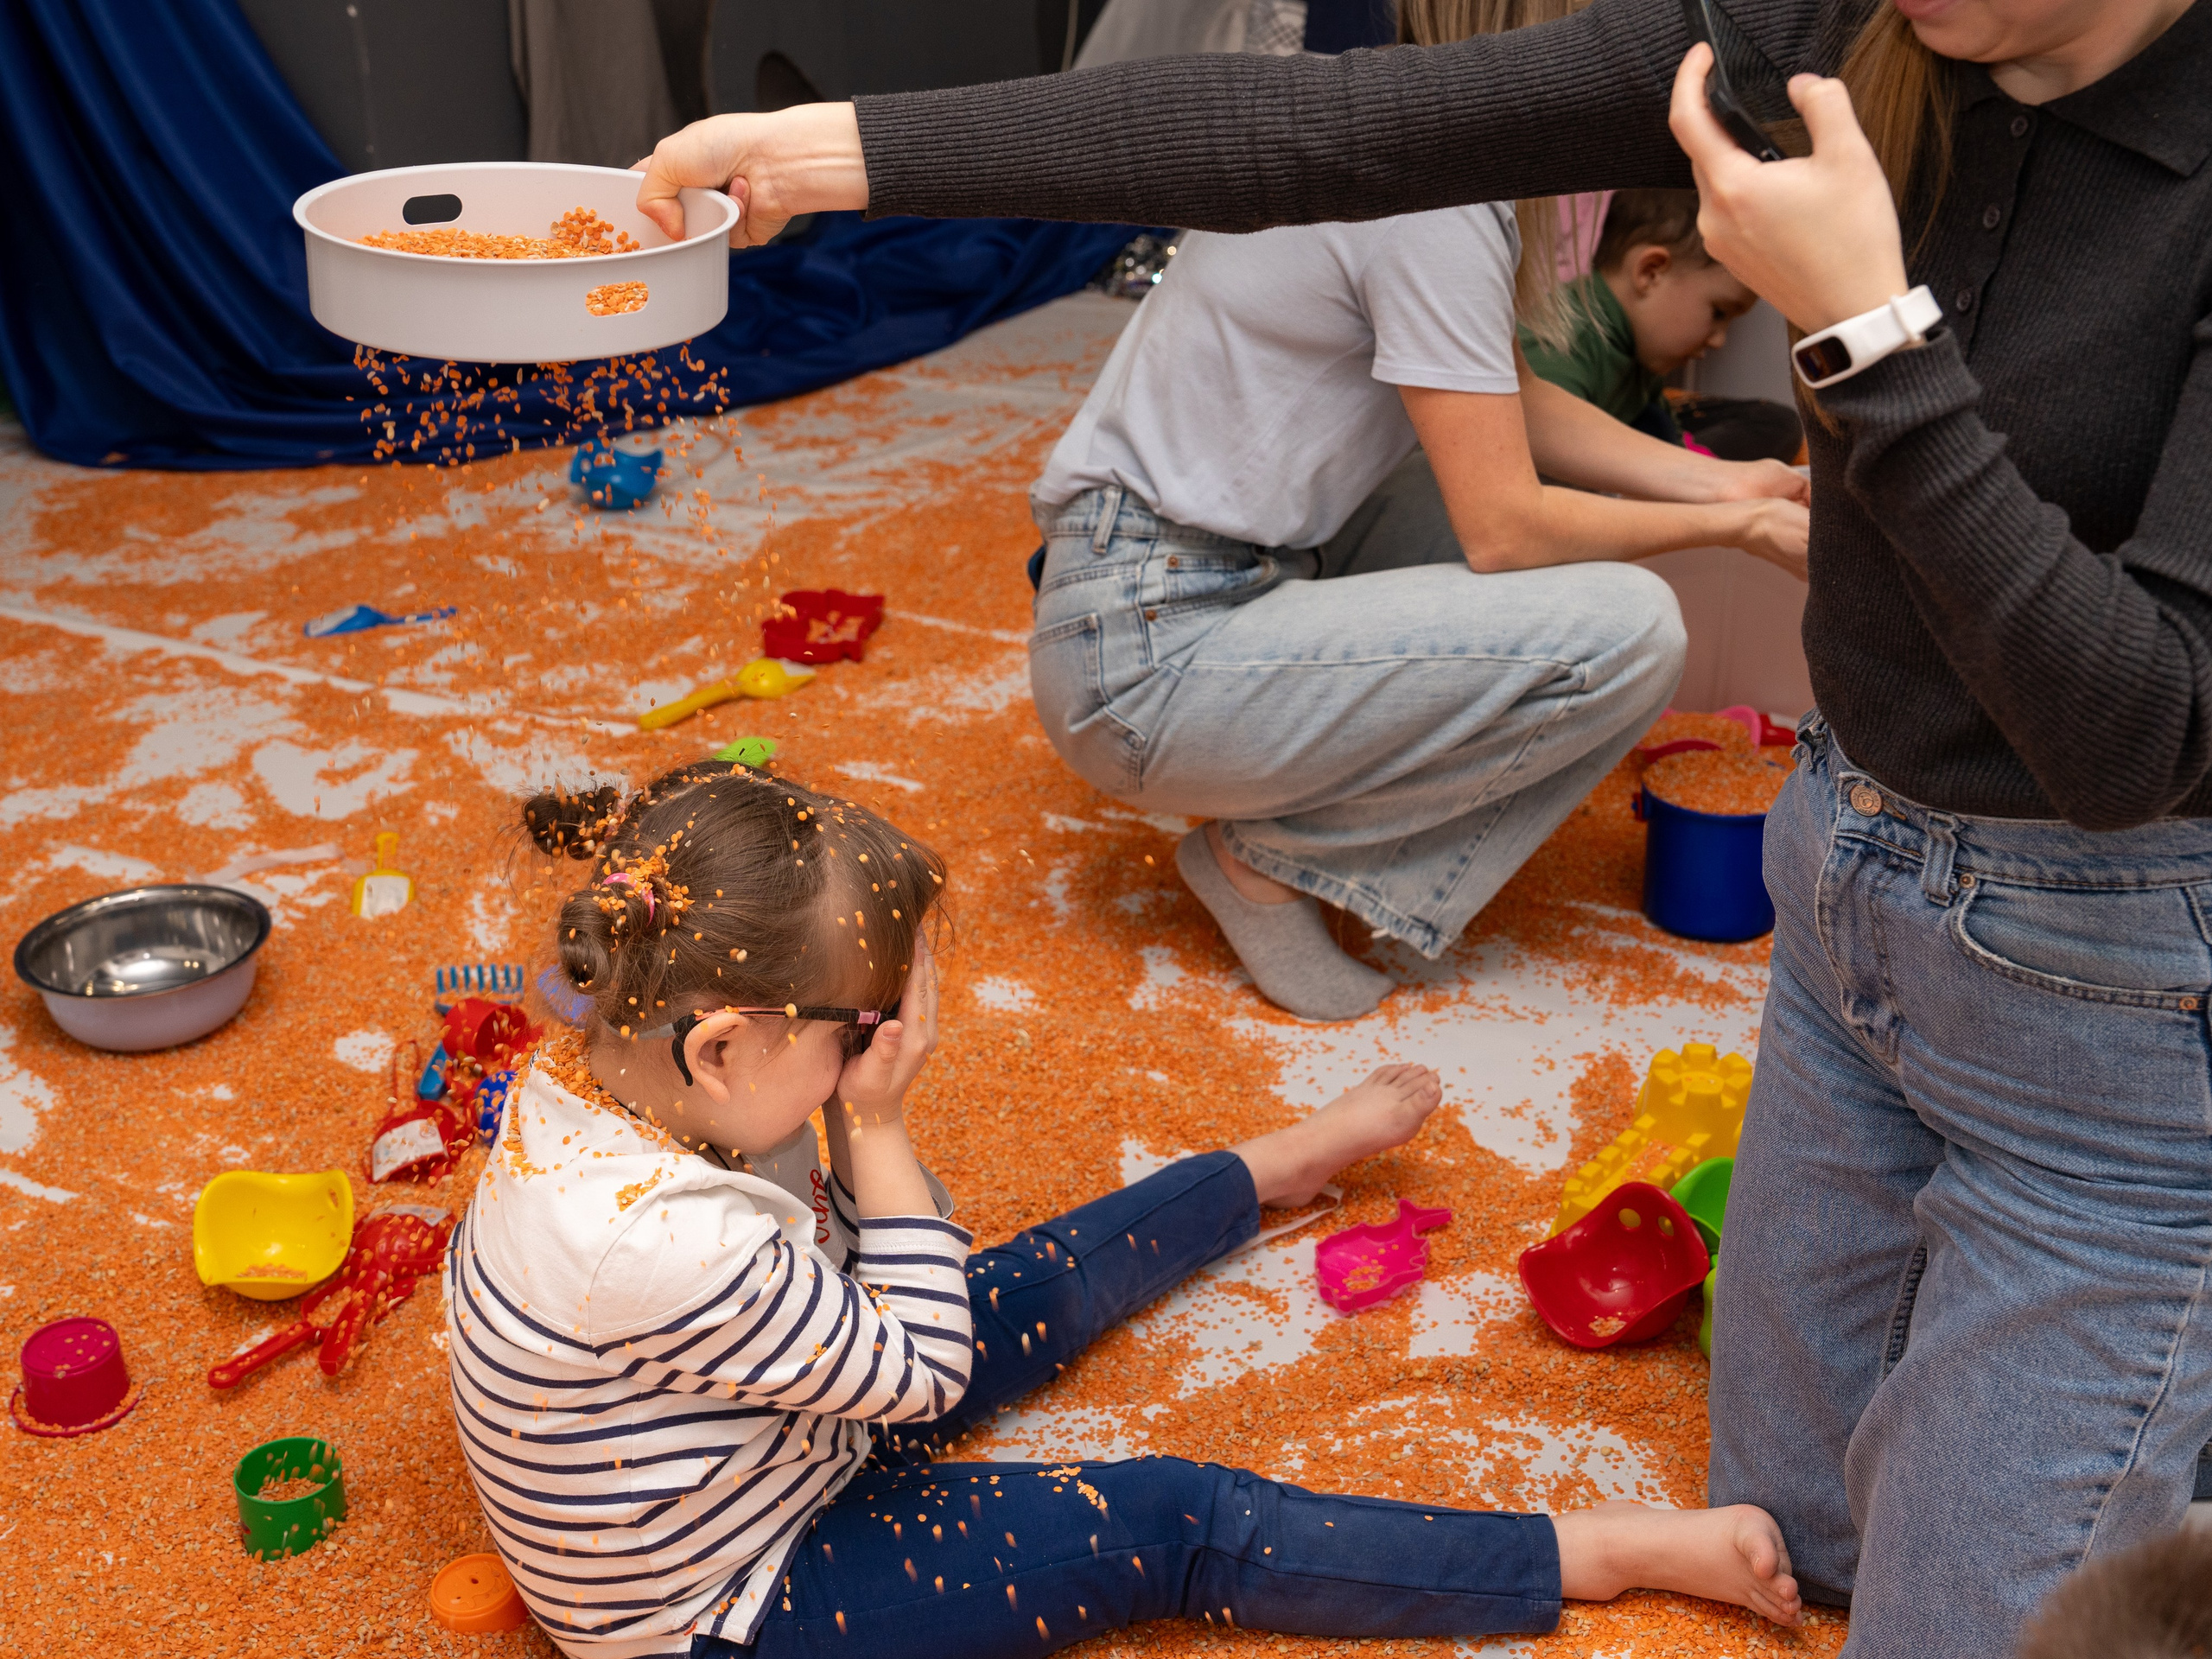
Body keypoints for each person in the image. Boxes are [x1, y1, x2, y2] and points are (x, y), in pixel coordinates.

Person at [628, 0, 2212, 1651]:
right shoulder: (1846, 30)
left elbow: (2143, 734)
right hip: (1846, 878)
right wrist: (828, 157)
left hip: (2108, 982)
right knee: (1796, 1524)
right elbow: (1331, 131)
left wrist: (1871, 344)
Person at [448, 760, 1805, 1658]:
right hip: (739, 1601)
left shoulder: (609, 1091)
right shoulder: (665, 1240)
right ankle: (1587, 1552)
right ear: (723, 1049)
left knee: (1021, 1282)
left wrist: (840, 1128)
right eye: (863, 1027)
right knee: (1170, 1518)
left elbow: (886, 1273)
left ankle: (1270, 1173)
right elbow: (917, 1375)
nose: (884, 1052)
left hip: (769, 1425)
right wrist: (874, 1123)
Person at [1025, 0, 1808, 1022]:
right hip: (1140, 654)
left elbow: (1495, 400)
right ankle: (1269, 860)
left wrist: (1718, 480)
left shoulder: (1397, 142)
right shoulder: (1433, 203)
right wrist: (1735, 526)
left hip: (1163, 584)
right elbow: (1506, 529)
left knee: (1451, 469)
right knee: (1630, 632)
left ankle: (1295, 827)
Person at [1519, 188, 1805, 463]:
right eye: (1719, 312)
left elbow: (1665, 430)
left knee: (1776, 422)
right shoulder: (1561, 341)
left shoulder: (1638, 346)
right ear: (1651, 272)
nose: (1719, 340)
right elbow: (1542, 463)